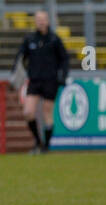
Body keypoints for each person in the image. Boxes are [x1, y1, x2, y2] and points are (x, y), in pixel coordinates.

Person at [12, 9, 69, 153]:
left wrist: (62, 76)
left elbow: (65, 59)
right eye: (38, 19)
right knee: (28, 112)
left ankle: (46, 147)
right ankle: (38, 142)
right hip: (35, 81)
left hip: (50, 81)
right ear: (35, 21)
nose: (41, 22)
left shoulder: (54, 39)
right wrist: (15, 75)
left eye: (43, 19)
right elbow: (20, 58)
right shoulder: (30, 39)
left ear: (48, 21)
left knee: (47, 113)